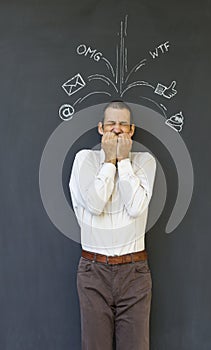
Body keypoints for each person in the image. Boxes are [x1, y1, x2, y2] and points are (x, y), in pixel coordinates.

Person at [69, 101, 156, 350]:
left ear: (132, 130)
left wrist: (124, 161)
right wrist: (109, 162)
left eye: (123, 125)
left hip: (135, 271)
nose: (117, 130)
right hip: (93, 270)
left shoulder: (145, 162)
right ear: (100, 128)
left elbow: (136, 207)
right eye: (111, 124)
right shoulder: (84, 160)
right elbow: (95, 204)